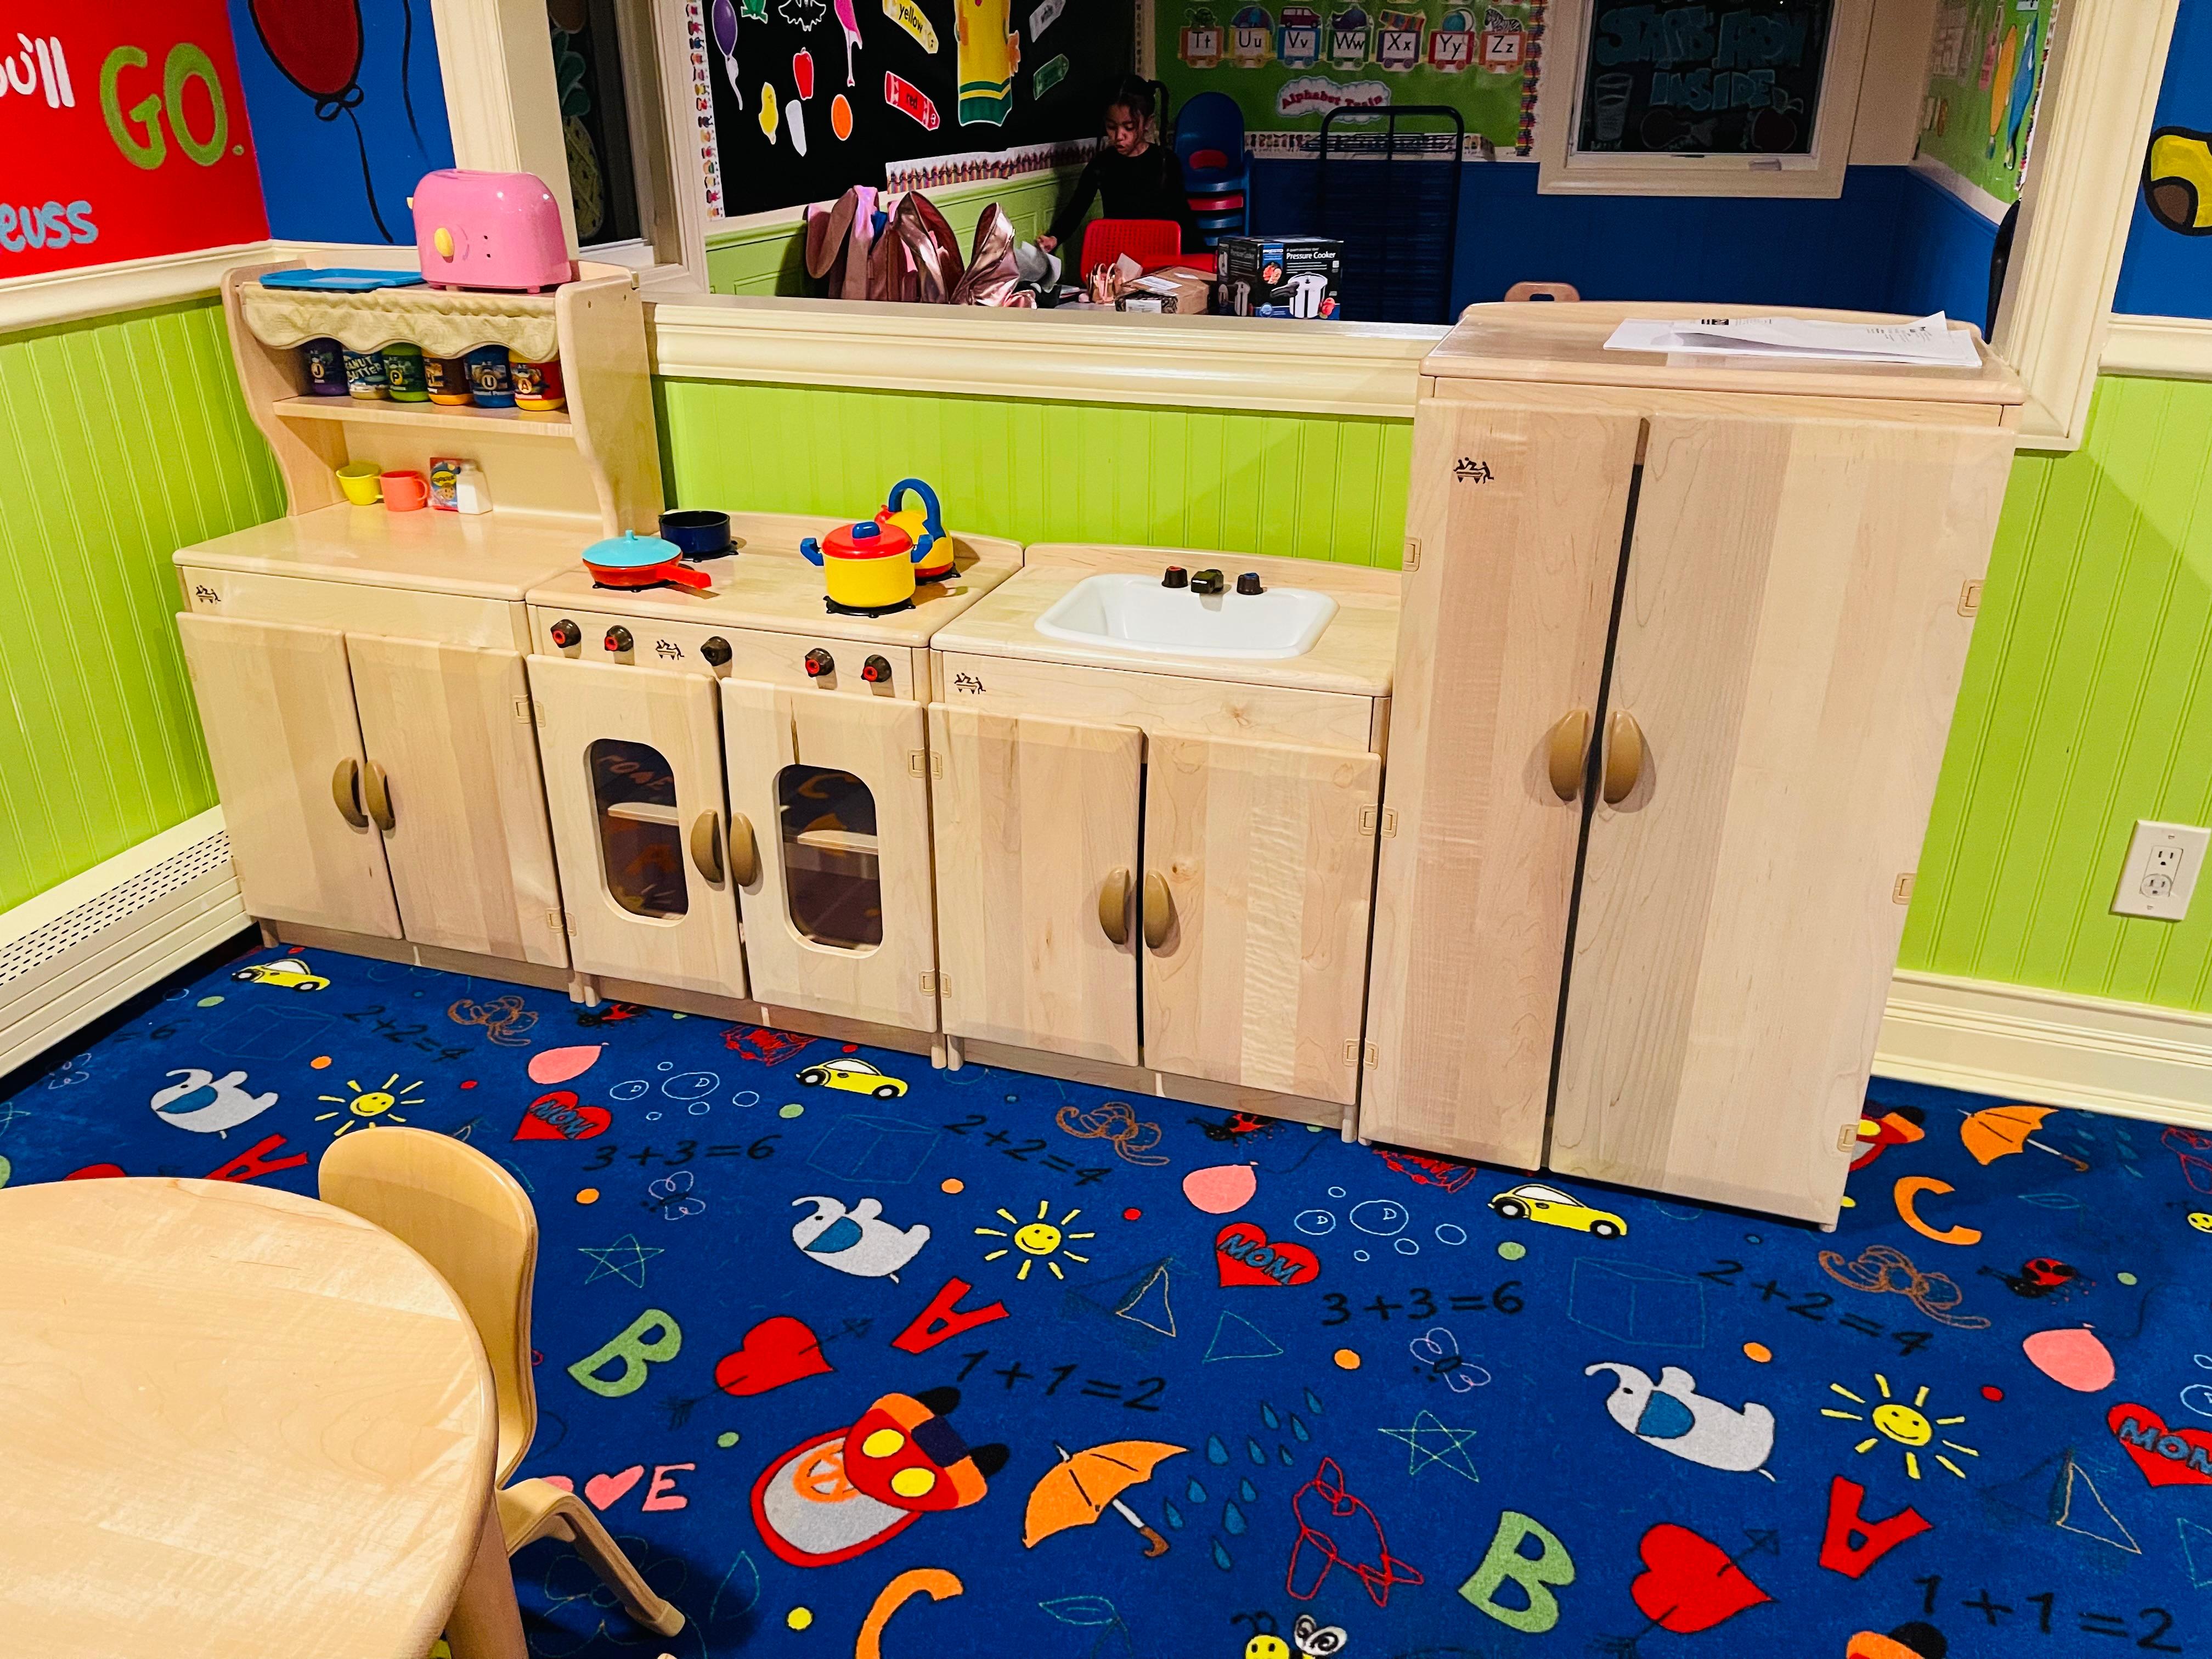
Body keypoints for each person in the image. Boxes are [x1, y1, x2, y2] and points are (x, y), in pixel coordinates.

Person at [1039, 77, 1197, 257]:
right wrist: (1055, 237)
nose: (1119, 136)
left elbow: (1183, 214)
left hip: (1160, 255)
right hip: (1119, 257)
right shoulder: (1102, 164)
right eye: (1111, 127)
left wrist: (1199, 258)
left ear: (1147, 123)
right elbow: (1077, 207)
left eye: (1129, 127)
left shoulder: (1166, 161)